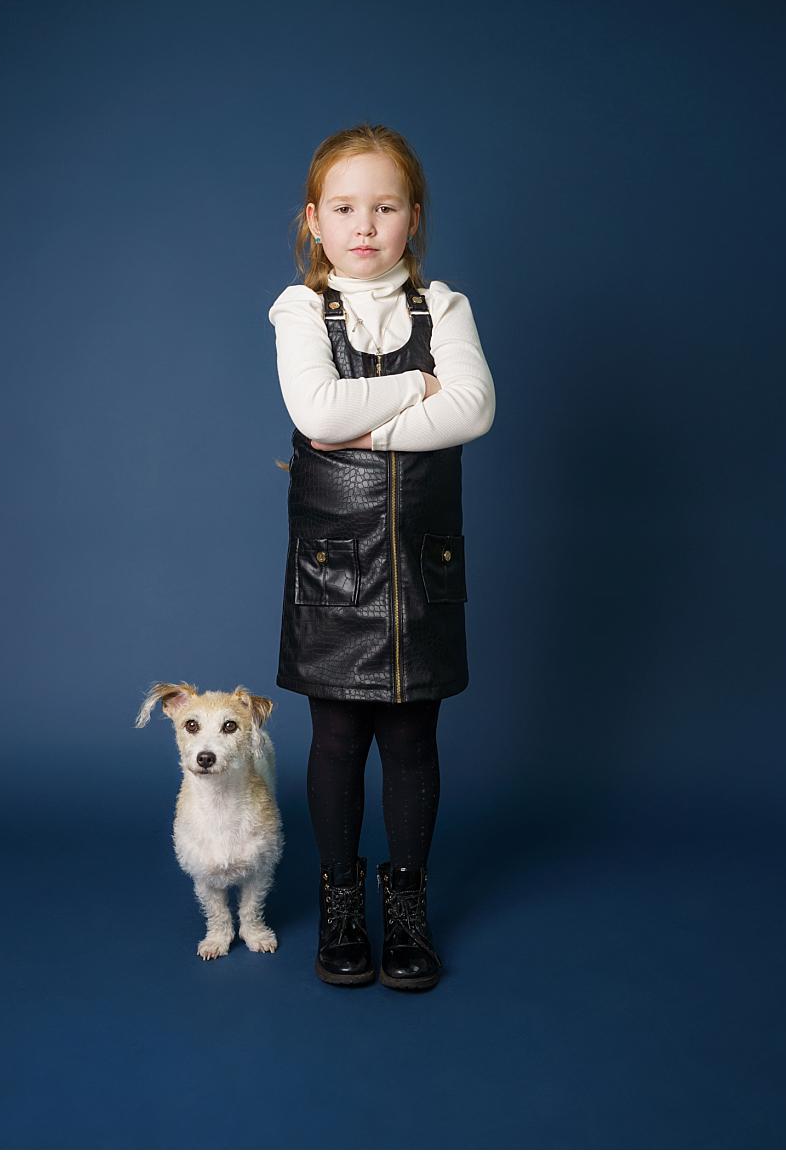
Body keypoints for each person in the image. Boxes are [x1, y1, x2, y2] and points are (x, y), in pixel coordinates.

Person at [268, 124, 496, 990]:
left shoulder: (446, 308)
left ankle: (406, 909)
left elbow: (473, 411)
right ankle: (340, 905)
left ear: (412, 219)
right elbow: (316, 412)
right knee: (336, 736)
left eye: (385, 207)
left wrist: (363, 423)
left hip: (420, 565)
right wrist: (415, 389)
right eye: (345, 208)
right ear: (315, 223)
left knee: (412, 735)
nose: (365, 226)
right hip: (336, 564)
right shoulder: (299, 310)